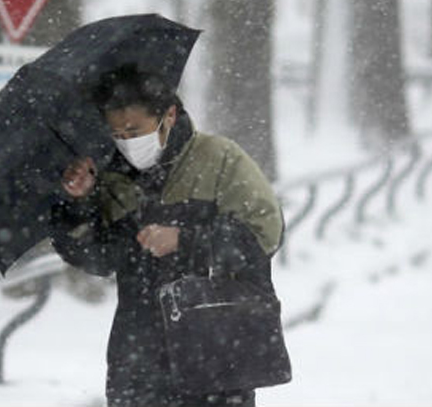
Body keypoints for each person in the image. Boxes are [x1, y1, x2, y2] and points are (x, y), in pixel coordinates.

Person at [49, 64, 288, 407]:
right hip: (137, 363)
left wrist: (186, 240)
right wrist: (79, 202)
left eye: (135, 130)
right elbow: (98, 259)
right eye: (118, 133)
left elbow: (265, 234)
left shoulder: (219, 158)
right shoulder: (112, 177)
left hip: (216, 355)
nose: (128, 142)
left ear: (169, 115)